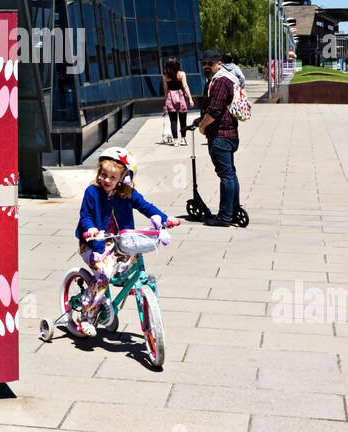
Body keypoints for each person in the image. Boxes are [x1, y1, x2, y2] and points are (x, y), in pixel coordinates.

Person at [75, 147, 179, 335]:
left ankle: (108, 302)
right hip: (94, 243)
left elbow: (146, 206)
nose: (106, 180)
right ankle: (86, 315)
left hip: (119, 243)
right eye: (103, 174)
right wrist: (90, 229)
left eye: (113, 177)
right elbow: (85, 216)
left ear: (124, 178)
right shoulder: (92, 192)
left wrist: (165, 219)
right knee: (104, 274)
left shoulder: (128, 193)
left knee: (130, 262)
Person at [196, 50, 240, 228]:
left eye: (210, 63)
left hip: (221, 135)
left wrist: (202, 126)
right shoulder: (218, 80)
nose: (206, 66)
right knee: (230, 174)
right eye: (204, 63)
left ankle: (225, 216)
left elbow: (214, 111)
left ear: (219, 64)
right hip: (227, 133)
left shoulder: (220, 81)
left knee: (226, 175)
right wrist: (199, 120)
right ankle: (233, 211)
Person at [161, 57, 194, 146]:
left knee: (173, 120)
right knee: (183, 120)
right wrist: (190, 99)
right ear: (177, 65)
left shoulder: (165, 77)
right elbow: (185, 86)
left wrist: (166, 101)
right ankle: (183, 139)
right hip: (181, 97)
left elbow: (166, 90)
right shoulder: (181, 74)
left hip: (170, 98)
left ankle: (175, 141)